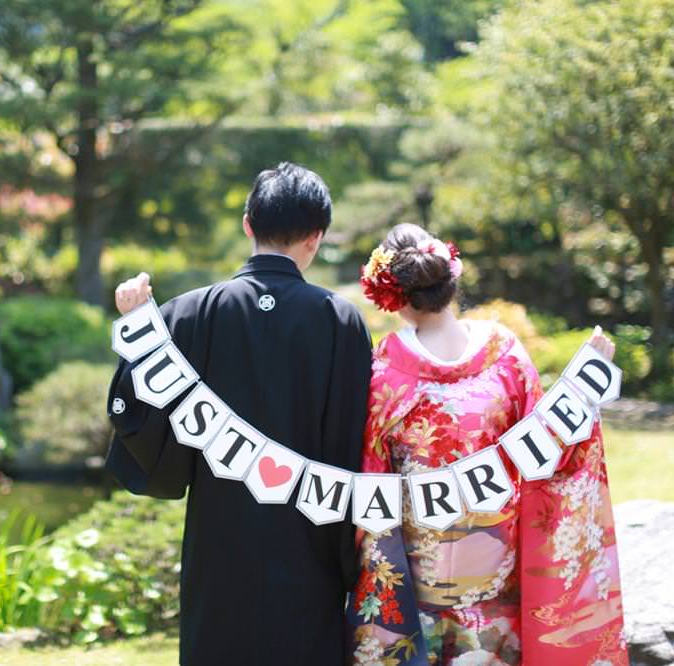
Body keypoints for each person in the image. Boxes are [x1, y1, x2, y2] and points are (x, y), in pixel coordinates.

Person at [106, 162, 377, 666]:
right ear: (316, 237)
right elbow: (354, 443)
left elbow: (137, 414)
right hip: (311, 538)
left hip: (220, 538)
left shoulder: (189, 313)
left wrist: (140, 327)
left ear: (248, 223)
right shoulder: (339, 320)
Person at [348, 223, 627, 665]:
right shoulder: (506, 354)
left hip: (421, 577)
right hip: (499, 568)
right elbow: (550, 451)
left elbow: (370, 478)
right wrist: (580, 394)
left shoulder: (386, 369)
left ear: (393, 295)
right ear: (450, 279)